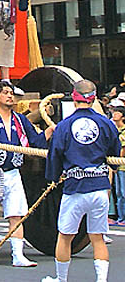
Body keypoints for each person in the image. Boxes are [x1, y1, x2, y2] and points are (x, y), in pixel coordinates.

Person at [0, 80, 53, 268]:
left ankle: (18, 255)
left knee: (16, 214)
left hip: (13, 173)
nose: (10, 96)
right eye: (6, 92)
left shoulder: (20, 120)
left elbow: (35, 141)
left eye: (11, 93)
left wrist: (48, 132)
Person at [42, 79, 121, 282]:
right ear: (93, 98)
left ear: (74, 98)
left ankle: (61, 279)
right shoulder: (106, 123)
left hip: (75, 188)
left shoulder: (64, 125)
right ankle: (101, 280)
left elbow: (55, 154)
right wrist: (110, 166)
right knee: (97, 238)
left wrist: (53, 177)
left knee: (65, 236)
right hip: (99, 187)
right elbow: (114, 152)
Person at [109, 105, 125, 225]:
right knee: (118, 193)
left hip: (122, 165)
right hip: (118, 165)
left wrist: (117, 161)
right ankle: (120, 217)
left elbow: (122, 149)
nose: (115, 114)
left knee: (123, 192)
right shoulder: (115, 130)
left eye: (118, 112)